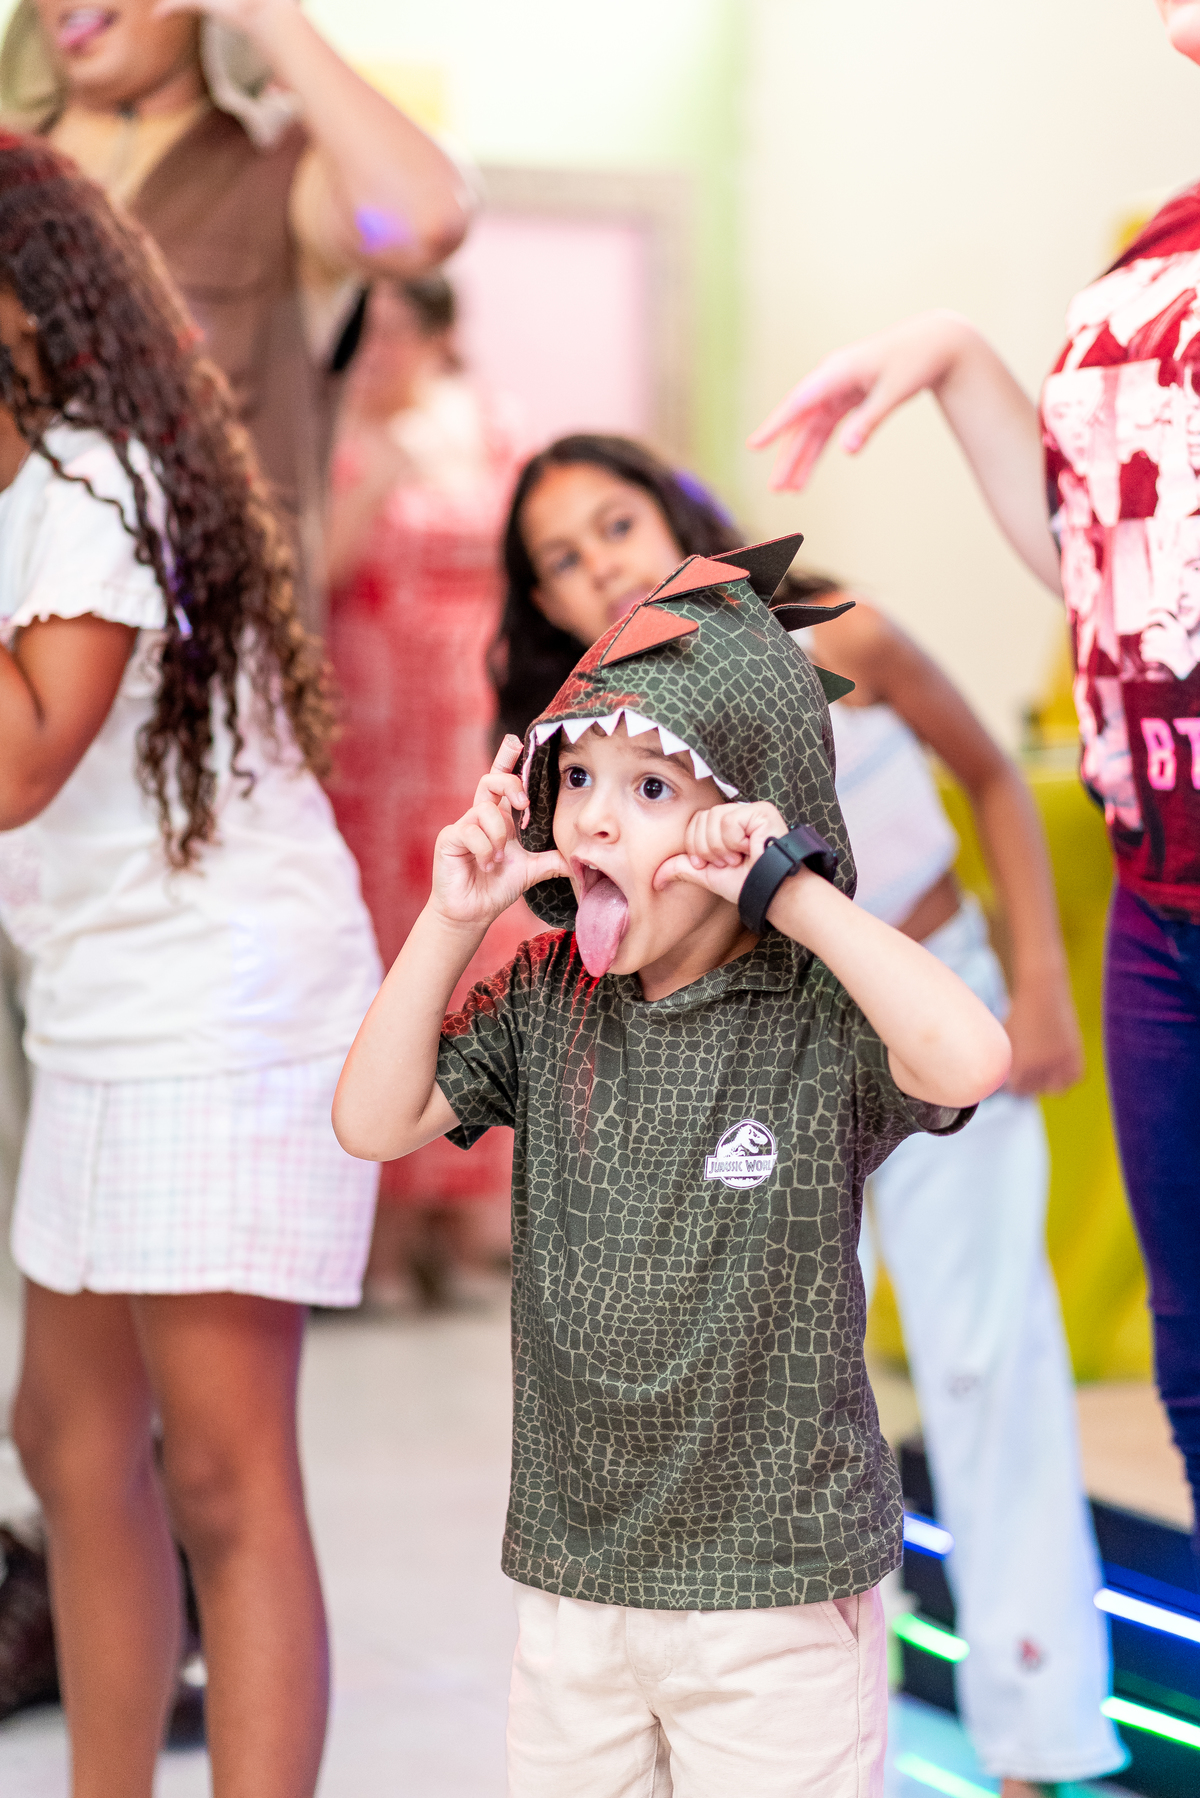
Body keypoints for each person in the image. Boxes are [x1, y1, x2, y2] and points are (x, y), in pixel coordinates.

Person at [494, 431, 1123, 1795]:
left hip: (929, 1013)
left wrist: (1035, 983)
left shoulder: (842, 633)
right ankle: (811, 1725)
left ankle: (1038, 1743)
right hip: (758, 1069)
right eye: (562, 556)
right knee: (790, 1390)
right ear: (542, 599)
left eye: (616, 523)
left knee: (986, 1362)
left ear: (675, 511)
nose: (599, 563)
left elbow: (994, 776)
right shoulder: (601, 740)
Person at [333, 539, 1011, 1797]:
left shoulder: (815, 1013)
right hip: (578, 1583)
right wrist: (451, 918)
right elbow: (374, 1121)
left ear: (751, 808)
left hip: (775, 1593)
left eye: (653, 786)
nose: (594, 815)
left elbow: (972, 1056)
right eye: (578, 775)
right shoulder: (548, 997)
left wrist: (792, 893)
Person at [746, 0, 1200, 1604]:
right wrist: (952, 357)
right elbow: (1103, 563)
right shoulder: (1165, 241)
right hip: (1162, 888)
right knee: (1196, 1374)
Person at [0, 135, 381, 1798]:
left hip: (223, 1008)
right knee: (65, 1435)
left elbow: (23, 757)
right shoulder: (33, 480)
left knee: (224, 1474)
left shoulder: (99, 478)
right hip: (102, 1005)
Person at [0, 0, 469, 621]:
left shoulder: (279, 168)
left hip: (213, 648)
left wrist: (271, 18)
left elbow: (425, 221)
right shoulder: (15, 166)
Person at [325, 274, 526, 1306]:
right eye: (371, 332)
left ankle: (463, 1216)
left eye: (404, 331)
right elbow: (310, 567)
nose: (385, 351)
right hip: (366, 735)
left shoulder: (488, 427)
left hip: (469, 719)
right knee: (383, 956)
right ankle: (381, 1228)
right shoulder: (325, 427)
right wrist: (374, 475)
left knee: (481, 952)